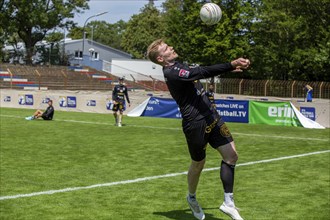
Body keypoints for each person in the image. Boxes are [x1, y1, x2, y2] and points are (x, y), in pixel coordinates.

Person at [147, 39, 250, 220]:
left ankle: (228, 203)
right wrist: (230, 64)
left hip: (211, 115)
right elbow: (199, 72)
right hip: (195, 124)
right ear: (161, 58)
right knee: (198, 164)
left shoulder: (178, 64)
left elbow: (199, 70)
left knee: (232, 155)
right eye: (166, 48)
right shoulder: (172, 72)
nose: (171, 47)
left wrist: (228, 68)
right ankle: (192, 197)